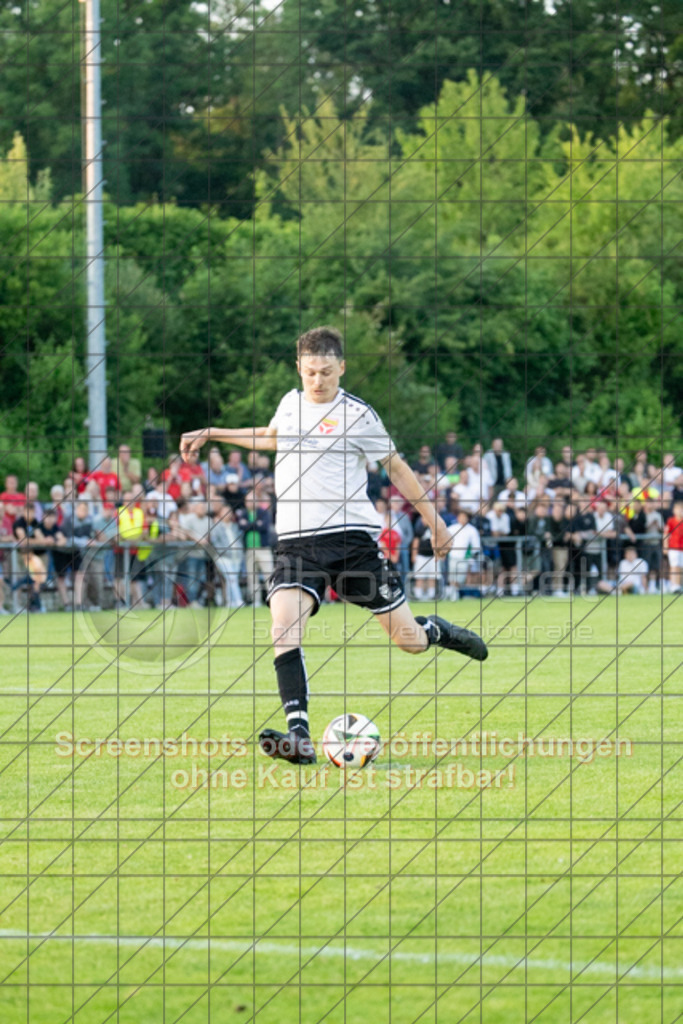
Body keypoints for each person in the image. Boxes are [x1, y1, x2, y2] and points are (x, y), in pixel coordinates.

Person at [181, 325, 488, 765]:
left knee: (409, 641)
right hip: (296, 544)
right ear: (298, 368)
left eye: (326, 372)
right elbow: (271, 437)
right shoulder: (290, 404)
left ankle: (434, 631)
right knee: (283, 627)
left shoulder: (359, 415)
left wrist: (436, 524)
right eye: (310, 372)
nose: (317, 380)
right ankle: (299, 737)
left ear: (341, 368)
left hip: (352, 543)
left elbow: (397, 469)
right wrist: (212, 431)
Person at [664, 501, 683, 593]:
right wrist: (665, 546)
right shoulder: (671, 521)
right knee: (674, 566)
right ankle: (673, 585)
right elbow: (666, 534)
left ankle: (679, 585)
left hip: (682, 548)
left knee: (681, 567)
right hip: (673, 547)